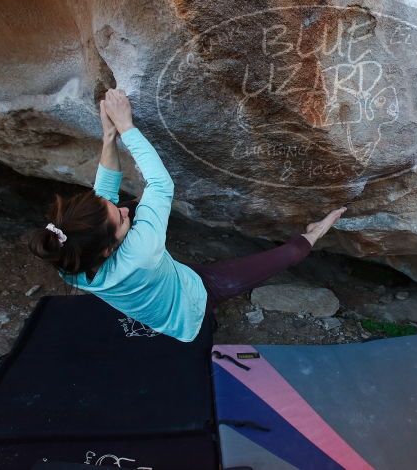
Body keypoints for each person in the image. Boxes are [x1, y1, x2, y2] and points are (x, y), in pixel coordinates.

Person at [28, 88, 347, 343]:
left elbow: (104, 197)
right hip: (192, 302)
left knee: (138, 205)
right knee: (290, 252)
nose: (125, 210)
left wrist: (109, 136)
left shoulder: (67, 258)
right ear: (109, 249)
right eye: (122, 220)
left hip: (158, 279)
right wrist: (126, 126)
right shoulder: (141, 251)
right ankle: (315, 232)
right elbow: (161, 184)